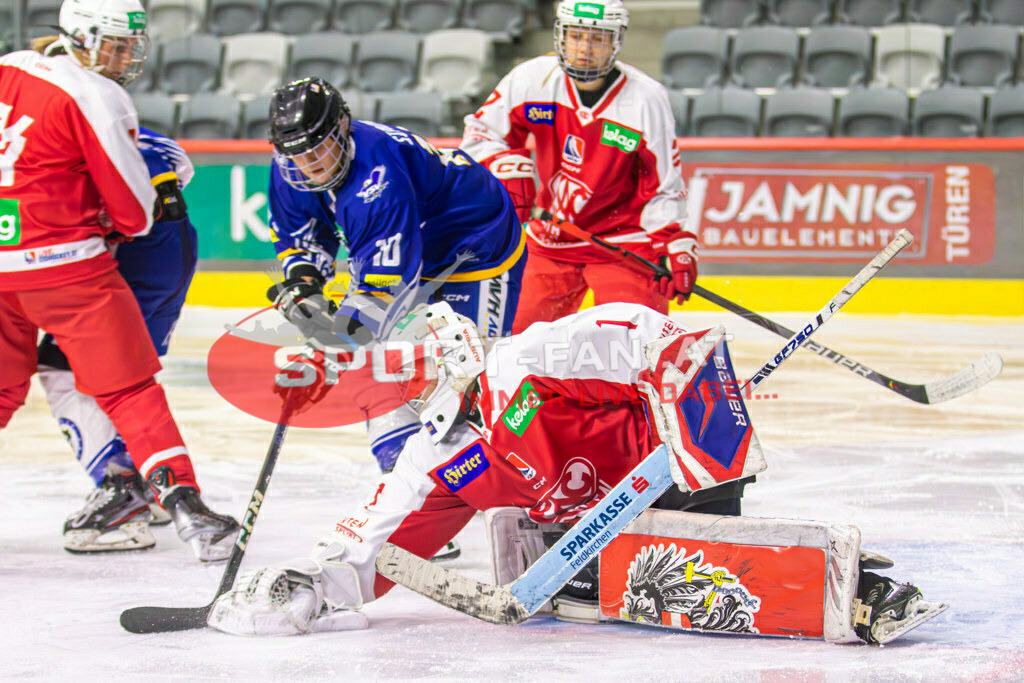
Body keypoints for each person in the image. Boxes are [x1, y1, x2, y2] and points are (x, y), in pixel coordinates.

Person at [205, 302, 944, 644]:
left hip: (680, 471)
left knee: (689, 566)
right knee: (640, 579)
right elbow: (376, 537)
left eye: (431, 376)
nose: (425, 396)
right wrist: (312, 579)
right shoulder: (439, 457)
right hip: (596, 523)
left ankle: (859, 591)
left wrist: (688, 414)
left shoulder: (527, 360)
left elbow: (652, 335)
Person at [0, 0, 238, 562]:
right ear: (80, 37)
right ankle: (184, 505)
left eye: (132, 44)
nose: (126, 57)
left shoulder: (8, 66)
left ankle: (126, 487)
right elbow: (136, 213)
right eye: (115, 44)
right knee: (129, 389)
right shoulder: (97, 95)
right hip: (69, 270)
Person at [264, 77, 526, 477]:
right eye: (297, 154)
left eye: (319, 148)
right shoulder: (290, 167)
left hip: (474, 246)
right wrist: (305, 290)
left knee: (470, 375)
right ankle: (408, 488)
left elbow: (385, 290)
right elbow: (300, 239)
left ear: (343, 127)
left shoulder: (378, 176)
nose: (310, 164)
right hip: (408, 243)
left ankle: (521, 482)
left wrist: (324, 356)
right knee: (379, 371)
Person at [460, 0, 698, 333]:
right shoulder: (531, 79)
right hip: (551, 237)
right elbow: (481, 133)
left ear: (615, 43)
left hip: (624, 244)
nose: (584, 48)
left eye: (597, 38)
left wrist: (673, 242)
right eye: (576, 36)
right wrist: (505, 168)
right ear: (561, 36)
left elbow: (663, 185)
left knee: (634, 349)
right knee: (514, 345)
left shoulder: (646, 98)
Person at [38, 125, 207, 555]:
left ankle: (121, 488)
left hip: (132, 257)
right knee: (122, 376)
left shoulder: (49, 135)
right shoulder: (129, 127)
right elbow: (179, 166)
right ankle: (148, 484)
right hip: (172, 244)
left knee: (69, 367)